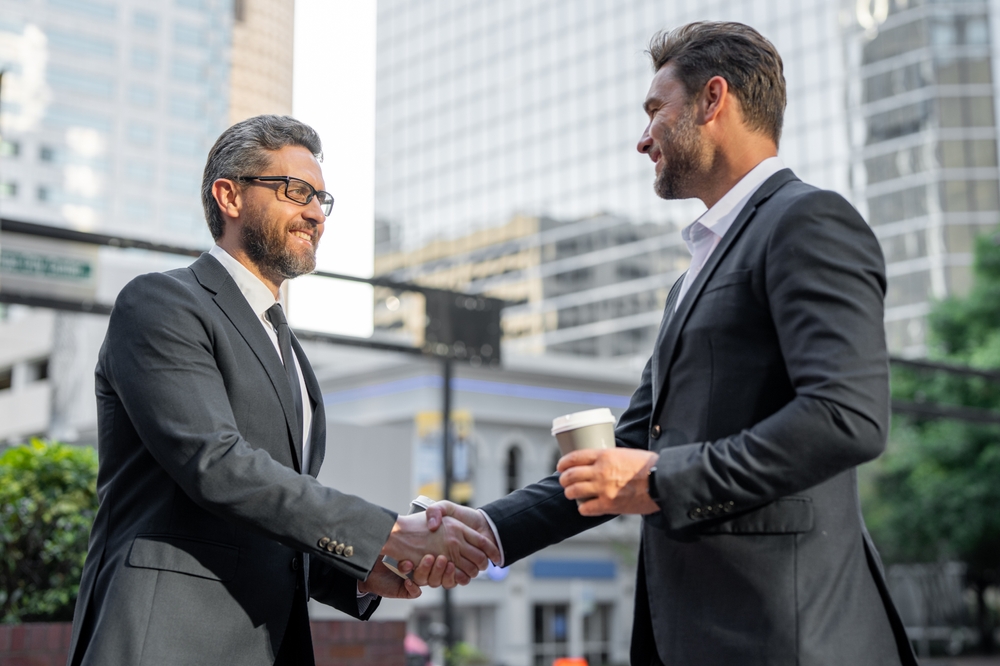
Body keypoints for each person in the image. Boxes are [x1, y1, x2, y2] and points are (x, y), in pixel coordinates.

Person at [424, 22, 919, 666]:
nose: (642, 138)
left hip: (788, 637)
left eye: (656, 110)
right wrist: (489, 527)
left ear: (714, 100)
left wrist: (663, 480)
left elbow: (846, 418)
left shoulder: (809, 221)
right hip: (694, 637)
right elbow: (628, 449)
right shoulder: (690, 277)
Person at [67, 115, 498, 666]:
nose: (316, 213)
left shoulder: (286, 346)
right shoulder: (161, 303)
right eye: (296, 191)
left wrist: (363, 571)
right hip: (167, 637)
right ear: (229, 196)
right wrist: (387, 532)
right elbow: (216, 466)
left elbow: (269, 508)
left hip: (266, 639)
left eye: (322, 198)